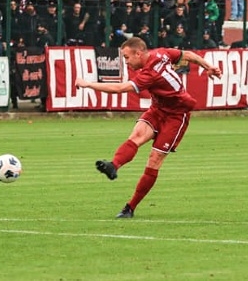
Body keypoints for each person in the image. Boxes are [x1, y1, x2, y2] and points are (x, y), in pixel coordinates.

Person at [75, 37, 222, 218]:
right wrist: (208, 66)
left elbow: (120, 88)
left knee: (154, 159)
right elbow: (188, 55)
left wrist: (88, 84)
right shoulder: (161, 53)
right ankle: (114, 165)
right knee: (136, 135)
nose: (126, 63)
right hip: (157, 109)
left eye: (127, 58)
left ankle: (130, 207)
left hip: (176, 116)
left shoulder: (150, 73)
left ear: (138, 53)